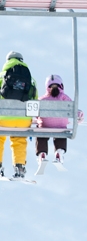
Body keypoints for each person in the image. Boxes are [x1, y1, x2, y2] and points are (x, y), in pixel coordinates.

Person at [0, 51, 37, 179]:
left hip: (3, 118)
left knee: (0, 138)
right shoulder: (31, 79)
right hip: (23, 120)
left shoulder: (2, 76)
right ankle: (19, 168)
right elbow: (35, 101)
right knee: (19, 140)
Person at [36, 75, 84, 166]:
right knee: (61, 131)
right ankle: (59, 151)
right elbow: (73, 109)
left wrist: (37, 119)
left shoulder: (42, 99)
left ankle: (42, 153)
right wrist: (79, 116)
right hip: (60, 126)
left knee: (40, 130)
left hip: (45, 125)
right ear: (61, 86)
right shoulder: (64, 98)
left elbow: (35, 113)